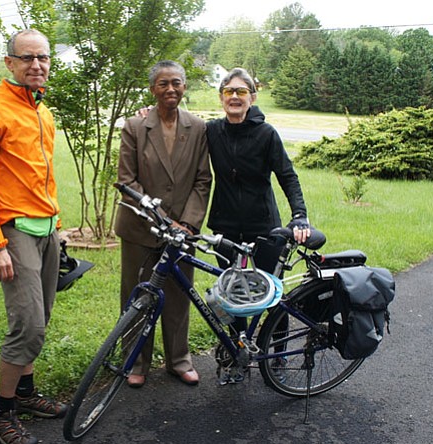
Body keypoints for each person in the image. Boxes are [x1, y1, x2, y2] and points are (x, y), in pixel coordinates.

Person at [0, 29, 66, 444]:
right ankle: (1, 413)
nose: (36, 65)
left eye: (42, 58)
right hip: (14, 232)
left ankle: (25, 393)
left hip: (46, 229)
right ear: (9, 62)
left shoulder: (43, 110)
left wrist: (57, 222)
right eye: (27, 58)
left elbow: (43, 174)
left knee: (40, 318)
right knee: (28, 325)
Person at [206, 67, 311, 382]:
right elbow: (178, 130)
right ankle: (237, 351)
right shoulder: (212, 131)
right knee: (230, 293)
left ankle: (275, 350)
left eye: (241, 92)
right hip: (225, 225)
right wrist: (147, 115)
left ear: (252, 97)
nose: (235, 97)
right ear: (222, 97)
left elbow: (287, 175)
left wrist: (300, 215)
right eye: (229, 92)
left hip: (263, 225)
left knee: (271, 291)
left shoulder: (267, 134)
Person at [115, 60, 212, 389]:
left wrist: (187, 223)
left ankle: (179, 359)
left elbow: (202, 180)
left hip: (183, 232)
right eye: (163, 83)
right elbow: (126, 181)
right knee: (137, 295)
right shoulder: (134, 127)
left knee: (178, 295)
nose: (170, 89)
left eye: (177, 83)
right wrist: (163, 220)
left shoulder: (198, 128)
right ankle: (135, 360)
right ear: (152, 89)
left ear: (185, 86)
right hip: (141, 229)